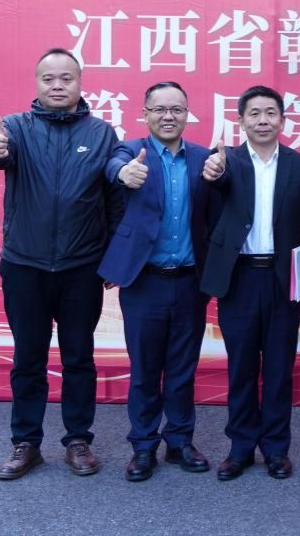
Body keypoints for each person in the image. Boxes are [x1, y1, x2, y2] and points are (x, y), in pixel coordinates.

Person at [0, 48, 122, 480]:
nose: (57, 85)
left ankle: (78, 440)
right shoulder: (15, 129)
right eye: (48, 78)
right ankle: (26, 443)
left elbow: (114, 200)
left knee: (79, 357)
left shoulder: (101, 133)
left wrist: (112, 259)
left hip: (82, 268)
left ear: (80, 83)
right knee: (28, 358)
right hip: (24, 265)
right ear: (37, 82)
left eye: (66, 78)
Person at [199, 85, 300, 481]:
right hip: (238, 277)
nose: (263, 120)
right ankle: (240, 448)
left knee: (278, 368)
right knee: (241, 367)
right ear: (241, 121)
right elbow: (214, 189)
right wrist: (214, 172)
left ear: (282, 120)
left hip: (283, 278)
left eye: (270, 113)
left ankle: (275, 448)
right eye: (254, 113)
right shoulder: (227, 161)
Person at [98, 82, 213, 482]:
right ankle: (144, 445)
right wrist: (123, 172)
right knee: (145, 369)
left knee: (182, 368)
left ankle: (179, 441)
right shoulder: (130, 151)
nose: (168, 116)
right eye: (160, 109)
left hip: (190, 282)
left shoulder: (203, 158)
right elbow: (113, 166)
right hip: (144, 282)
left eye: (176, 109)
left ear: (187, 114)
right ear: (145, 114)